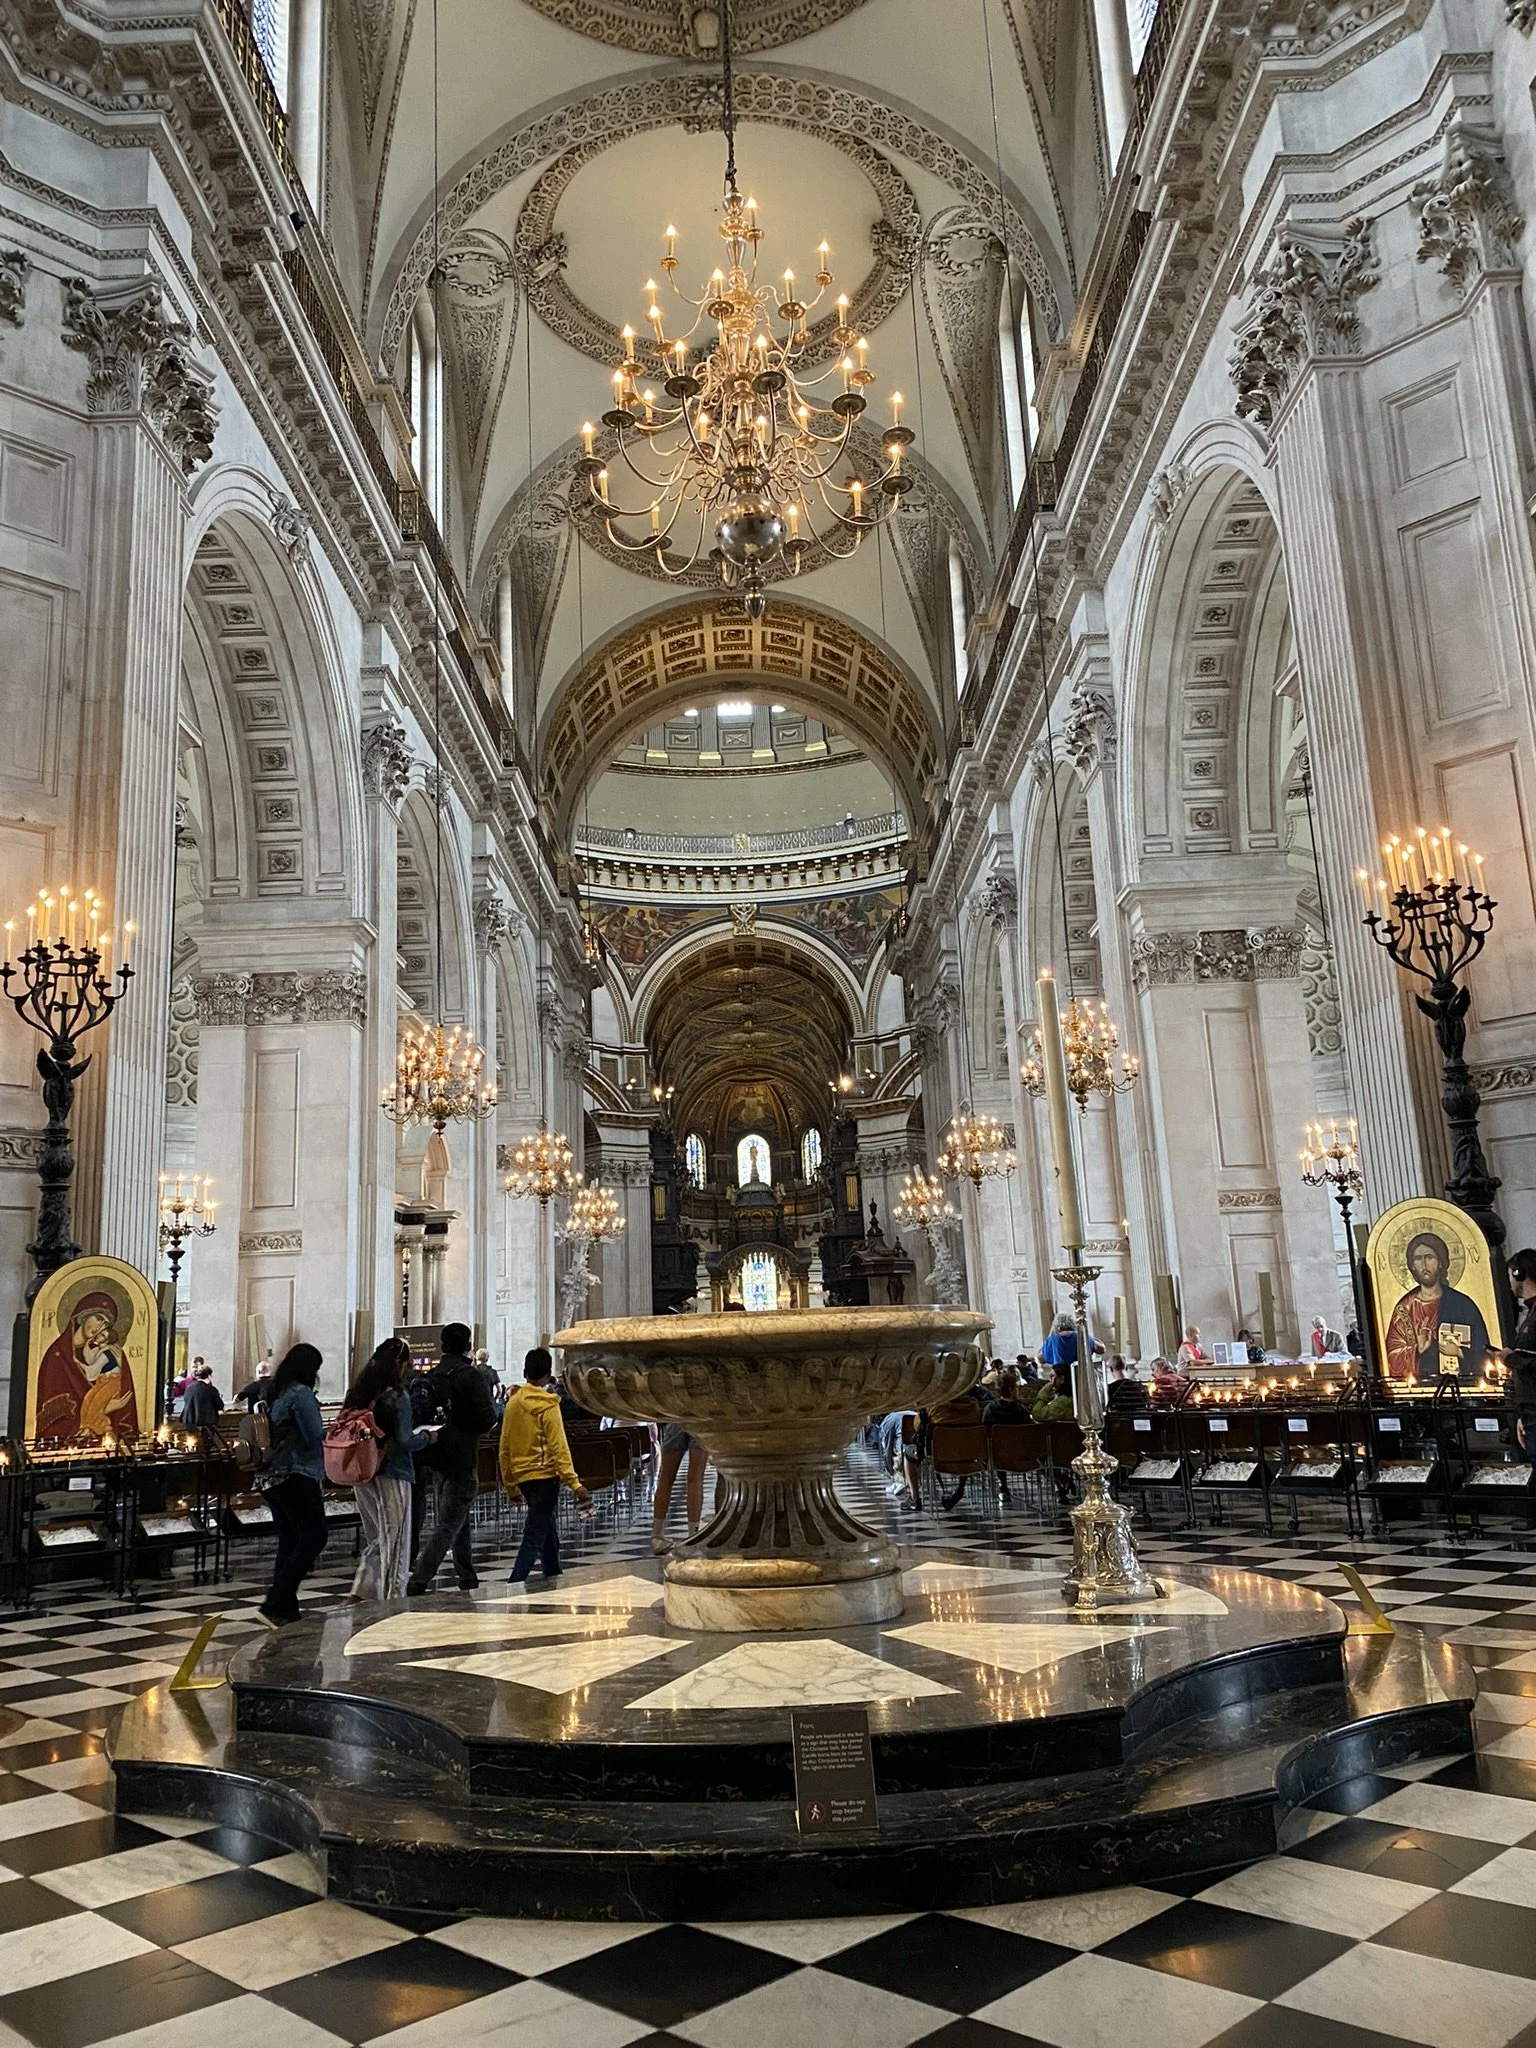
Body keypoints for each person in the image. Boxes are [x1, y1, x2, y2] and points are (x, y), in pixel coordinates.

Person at [345, 1337, 438, 1604]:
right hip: (392, 1472)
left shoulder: (358, 1392)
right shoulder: (396, 1395)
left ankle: (360, 1592)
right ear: (399, 1364)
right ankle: (392, 1600)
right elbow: (405, 1439)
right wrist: (428, 1438)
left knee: (376, 1537)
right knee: (396, 1542)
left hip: (362, 1471)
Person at [407, 1322, 496, 1596]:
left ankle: (467, 1574)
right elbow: (487, 1419)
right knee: (448, 1523)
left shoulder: (433, 1374)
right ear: (468, 1345)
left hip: (437, 1455)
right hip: (463, 1455)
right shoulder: (470, 1375)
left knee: (458, 1517)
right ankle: (419, 1578)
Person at [499, 1348, 593, 1586]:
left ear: (524, 1372)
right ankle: (514, 1582)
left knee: (547, 1528)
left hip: (523, 1478)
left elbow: (505, 1447)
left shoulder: (512, 1404)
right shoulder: (548, 1405)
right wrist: (574, 1483)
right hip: (544, 1477)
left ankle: (553, 1574)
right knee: (534, 1535)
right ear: (548, 1375)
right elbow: (558, 1447)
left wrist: (510, 1484)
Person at [258, 1343, 328, 1629]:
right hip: (296, 1473)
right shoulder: (301, 1394)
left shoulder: (278, 1391)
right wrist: (336, 1430)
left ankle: (284, 1608)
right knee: (315, 1536)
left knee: (290, 1539)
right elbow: (313, 1435)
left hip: (272, 1476)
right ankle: (275, 1600)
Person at [1383, 1232, 1491, 1385]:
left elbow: (1484, 1350)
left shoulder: (1463, 1304)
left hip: (1461, 1389)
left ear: (1441, 1262)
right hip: (1422, 1391)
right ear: (1412, 1266)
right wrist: (1417, 1350)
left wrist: (1460, 1352)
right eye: (1418, 1259)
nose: (1424, 1265)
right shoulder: (1405, 1308)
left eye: (1429, 1257)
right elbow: (1392, 1355)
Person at [35, 1292, 139, 1443]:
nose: (100, 1327)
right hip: (65, 1448)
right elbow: (49, 1417)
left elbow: (125, 1407)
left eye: (105, 1325)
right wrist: (104, 1409)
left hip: (103, 1446)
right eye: (98, 1318)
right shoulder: (58, 1355)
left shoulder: (111, 1354)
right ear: (83, 1316)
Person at [1494, 1250, 1536, 1453]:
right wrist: (1522, 1415)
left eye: (1510, 1274)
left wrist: (1511, 1359)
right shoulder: (1530, 1312)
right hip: (1530, 1412)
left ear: (1519, 1274)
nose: (1509, 1280)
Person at [651, 1421, 708, 1553]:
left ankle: (657, 1535)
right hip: (699, 1419)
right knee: (695, 1479)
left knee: (665, 1479)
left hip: (677, 1419)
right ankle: (692, 1535)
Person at [180, 1364, 223, 1439]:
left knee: (192, 1443)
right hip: (206, 1424)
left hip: (189, 1422)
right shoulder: (211, 1389)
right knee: (206, 1446)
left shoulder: (189, 1388)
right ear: (209, 1376)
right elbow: (220, 1405)